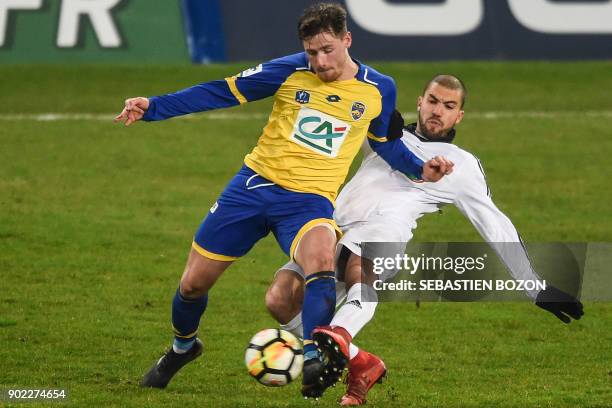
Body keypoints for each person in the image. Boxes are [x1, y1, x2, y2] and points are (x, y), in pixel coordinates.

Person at [113, 2, 452, 397]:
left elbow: (385, 142)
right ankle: (182, 348)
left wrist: (418, 169)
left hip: (308, 203)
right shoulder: (289, 70)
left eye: (328, 50)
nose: (320, 61)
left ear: (347, 40)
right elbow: (222, 91)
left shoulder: (378, 88)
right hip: (253, 188)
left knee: (321, 260)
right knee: (192, 286)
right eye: (312, 53)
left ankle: (313, 356)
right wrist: (154, 107)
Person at [266, 74, 584, 405]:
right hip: (334, 227)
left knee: (358, 263)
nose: (438, 111)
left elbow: (494, 223)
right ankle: (362, 362)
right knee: (280, 298)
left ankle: (342, 335)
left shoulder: (461, 164)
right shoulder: (386, 135)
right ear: (420, 101)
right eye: (433, 101)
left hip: (385, 231)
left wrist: (533, 287)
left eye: (449, 106)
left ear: (458, 116)